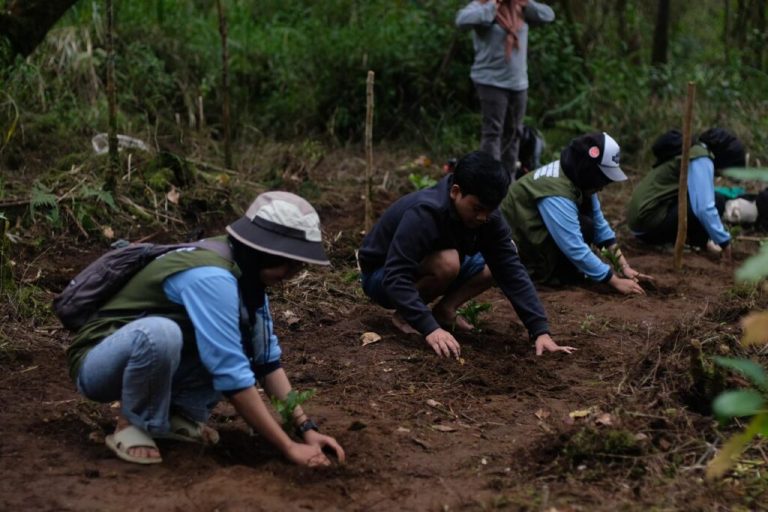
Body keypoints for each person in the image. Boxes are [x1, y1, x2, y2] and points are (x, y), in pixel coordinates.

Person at [66, 192, 346, 466]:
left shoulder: (247, 282)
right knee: (162, 334)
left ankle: (179, 416)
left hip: (153, 364)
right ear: (264, 252)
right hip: (99, 364)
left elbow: (266, 363)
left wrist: (306, 429)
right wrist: (287, 447)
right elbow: (231, 373)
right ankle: (134, 425)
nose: (290, 274)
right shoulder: (212, 276)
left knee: (230, 341)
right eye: (290, 263)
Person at [357, 150, 575, 359]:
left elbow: (510, 268)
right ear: (455, 192)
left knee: (497, 264)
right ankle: (407, 316)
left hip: (419, 268)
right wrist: (429, 328)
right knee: (447, 262)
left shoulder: (488, 216)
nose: (482, 217)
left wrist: (540, 331)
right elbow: (396, 276)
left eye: (489, 210)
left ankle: (445, 310)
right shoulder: (425, 212)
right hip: (381, 275)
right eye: (477, 208)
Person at [501, 132, 651, 294]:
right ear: (588, 169)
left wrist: (624, 267)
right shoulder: (555, 192)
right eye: (602, 177)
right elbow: (573, 245)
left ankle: (565, 273)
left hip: (535, 237)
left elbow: (601, 228)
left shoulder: (575, 176)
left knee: (589, 224)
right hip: (516, 253)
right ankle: (548, 276)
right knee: (584, 227)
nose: (603, 185)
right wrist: (614, 282)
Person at [456, 0, 555, 177]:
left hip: (518, 83)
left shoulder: (520, 8)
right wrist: (493, 5)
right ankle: (489, 179)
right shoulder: (482, 6)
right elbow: (462, 20)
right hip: (490, 82)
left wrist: (526, 4)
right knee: (493, 132)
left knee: (514, 132)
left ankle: (508, 181)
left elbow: (548, 15)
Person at [626, 128, 747, 263]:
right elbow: (704, 208)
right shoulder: (701, 158)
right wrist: (724, 241)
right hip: (649, 224)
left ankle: (698, 244)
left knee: (706, 198)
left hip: (641, 222)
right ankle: (693, 245)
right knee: (717, 199)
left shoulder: (691, 151)